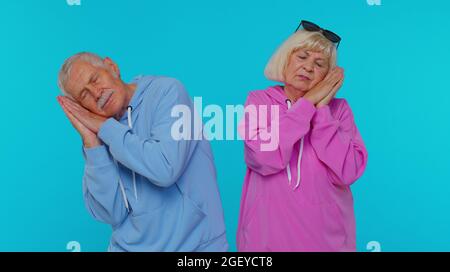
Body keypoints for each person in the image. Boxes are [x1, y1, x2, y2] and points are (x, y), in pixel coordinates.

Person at [56, 52, 228, 252]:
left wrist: (106, 128)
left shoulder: (167, 92)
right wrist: (92, 144)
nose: (96, 93)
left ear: (111, 67)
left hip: (194, 247)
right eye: (84, 95)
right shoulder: (102, 132)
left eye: (95, 79)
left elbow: (165, 169)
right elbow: (110, 214)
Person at [236, 20, 368, 251]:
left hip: (328, 240)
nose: (308, 67)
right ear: (285, 58)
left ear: (328, 77)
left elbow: (349, 171)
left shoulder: (340, 110)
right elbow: (263, 158)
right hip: (267, 239)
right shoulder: (259, 100)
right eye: (302, 56)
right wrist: (306, 104)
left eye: (319, 64)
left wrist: (322, 111)